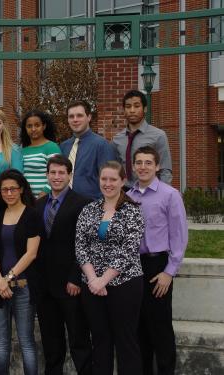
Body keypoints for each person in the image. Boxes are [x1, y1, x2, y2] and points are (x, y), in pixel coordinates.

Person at [75, 161, 145, 375]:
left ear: (123, 181)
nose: (108, 183)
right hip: (92, 285)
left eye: (113, 179)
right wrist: (92, 279)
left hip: (124, 284)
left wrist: (103, 280)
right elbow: (80, 245)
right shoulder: (89, 209)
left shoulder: (132, 211)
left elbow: (129, 250)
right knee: (100, 340)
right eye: (104, 179)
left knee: (126, 341)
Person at [127, 146, 188, 375]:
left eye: (148, 163)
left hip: (158, 266)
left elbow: (179, 237)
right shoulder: (128, 196)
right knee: (138, 327)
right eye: (139, 162)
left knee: (160, 328)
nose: (143, 167)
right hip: (133, 267)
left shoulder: (170, 195)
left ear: (157, 166)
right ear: (133, 166)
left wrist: (169, 272)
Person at [35, 155, 92, 375]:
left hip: (71, 284)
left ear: (70, 175)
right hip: (45, 286)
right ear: (47, 175)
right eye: (53, 173)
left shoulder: (83, 203)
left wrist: (75, 277)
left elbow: (85, 244)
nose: (57, 177)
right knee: (51, 342)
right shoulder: (38, 205)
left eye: (61, 173)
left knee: (79, 340)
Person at [0, 169, 40, 375]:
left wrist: (8, 278)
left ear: (21, 190)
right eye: (4, 190)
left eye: (13, 189)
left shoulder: (32, 215)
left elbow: (31, 253)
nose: (9, 193)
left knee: (26, 341)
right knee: (1, 343)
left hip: (23, 287)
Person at [113, 90, 172, 188]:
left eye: (136, 106)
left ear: (145, 109)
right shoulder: (117, 139)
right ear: (123, 110)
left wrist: (163, 195)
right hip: (124, 192)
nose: (132, 110)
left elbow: (165, 170)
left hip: (150, 190)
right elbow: (115, 169)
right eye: (128, 107)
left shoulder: (158, 136)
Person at [60, 100, 116, 200]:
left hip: (92, 206)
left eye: (79, 115)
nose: (75, 120)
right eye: (71, 116)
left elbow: (110, 180)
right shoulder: (64, 146)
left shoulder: (101, 145)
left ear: (89, 117)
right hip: (66, 205)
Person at [19, 110, 61, 197]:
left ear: (44, 126)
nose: (33, 129)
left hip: (46, 199)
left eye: (37, 125)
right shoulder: (22, 150)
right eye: (29, 126)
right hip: (26, 200)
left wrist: (43, 194)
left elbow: (57, 174)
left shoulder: (51, 147)